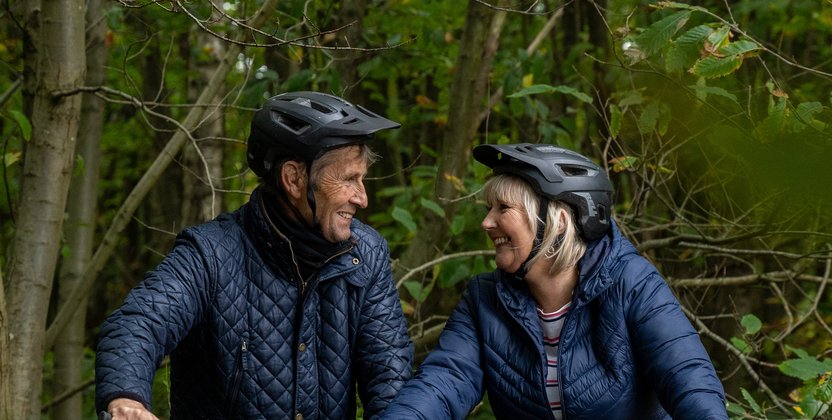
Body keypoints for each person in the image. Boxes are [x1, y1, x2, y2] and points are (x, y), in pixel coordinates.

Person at [95, 91, 413, 419]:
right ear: (293, 178)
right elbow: (139, 322)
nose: (362, 198)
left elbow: (391, 383)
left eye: (362, 179)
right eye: (349, 179)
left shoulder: (367, 255)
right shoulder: (210, 254)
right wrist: (126, 400)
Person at [383, 143, 728, 419]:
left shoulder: (631, 282)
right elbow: (443, 384)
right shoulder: (483, 301)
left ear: (558, 222)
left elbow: (689, 381)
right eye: (489, 209)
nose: (487, 223)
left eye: (503, 208)